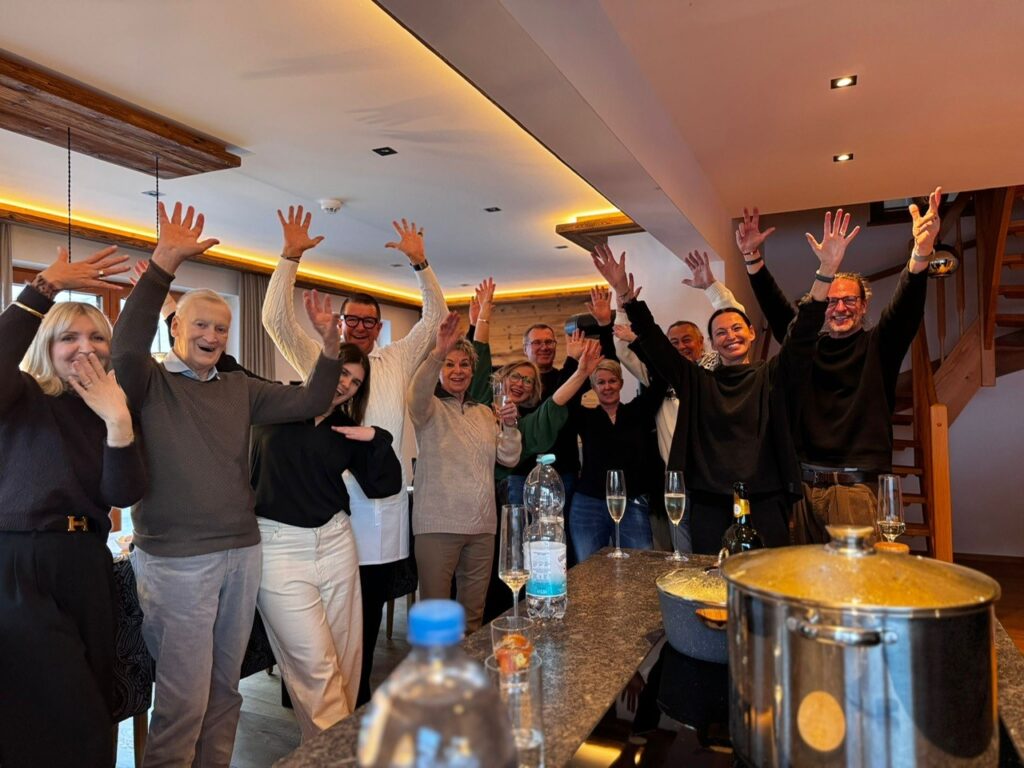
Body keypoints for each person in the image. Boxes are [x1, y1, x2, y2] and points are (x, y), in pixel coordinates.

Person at [112, 202, 343, 768]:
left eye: (221, 328)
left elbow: (312, 400)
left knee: (225, 691)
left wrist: (329, 347)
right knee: (182, 702)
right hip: (175, 562)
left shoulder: (239, 387)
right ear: (175, 326)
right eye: (200, 325)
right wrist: (163, 265)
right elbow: (123, 347)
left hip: (242, 552)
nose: (212, 335)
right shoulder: (148, 382)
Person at [262, 208, 446, 705]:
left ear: (379, 327)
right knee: (319, 618)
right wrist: (290, 256)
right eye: (353, 319)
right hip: (324, 510)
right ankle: (312, 704)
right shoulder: (321, 361)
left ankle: (355, 702)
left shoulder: (396, 358)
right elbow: (274, 320)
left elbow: (435, 319)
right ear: (342, 323)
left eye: (369, 321)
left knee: (362, 618)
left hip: (381, 509)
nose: (361, 327)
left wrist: (421, 263)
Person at [591, 215, 841, 553]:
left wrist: (826, 271)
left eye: (737, 328)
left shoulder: (773, 375)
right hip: (709, 500)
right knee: (710, 575)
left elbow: (802, 334)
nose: (730, 335)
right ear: (711, 342)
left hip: (766, 497)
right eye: (720, 332)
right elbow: (655, 343)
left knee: (767, 576)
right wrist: (624, 293)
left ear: (751, 333)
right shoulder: (697, 380)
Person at [0, 245, 145, 768]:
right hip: (21, 561)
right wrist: (43, 289)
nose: (86, 347)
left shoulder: (110, 407)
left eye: (97, 337)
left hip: (86, 563)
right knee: (54, 707)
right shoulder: (19, 394)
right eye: (69, 337)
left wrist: (118, 421)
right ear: (47, 345)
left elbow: (122, 494)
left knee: (94, 697)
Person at [735, 189, 942, 542]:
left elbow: (906, 307)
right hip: (803, 490)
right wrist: (752, 258)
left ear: (864, 306)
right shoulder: (805, 348)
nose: (840, 308)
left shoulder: (879, 346)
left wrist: (921, 253)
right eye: (831, 301)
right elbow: (778, 309)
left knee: (856, 579)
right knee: (801, 577)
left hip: (856, 491)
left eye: (849, 300)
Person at [250, 341, 402, 740]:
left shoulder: (345, 430)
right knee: (314, 667)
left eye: (356, 382)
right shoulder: (274, 402)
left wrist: (376, 436)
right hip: (279, 547)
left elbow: (386, 484)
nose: (346, 384)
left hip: (336, 542)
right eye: (342, 372)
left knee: (346, 660)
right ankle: (343, 753)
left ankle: (322, 750)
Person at [465, 278, 603, 621]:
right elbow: (478, 358)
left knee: (536, 549)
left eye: (528, 381)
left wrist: (581, 369)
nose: (522, 383)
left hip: (541, 482)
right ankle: (497, 619)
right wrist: (481, 318)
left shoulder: (530, 422)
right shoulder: (483, 401)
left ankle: (538, 607)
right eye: (516, 377)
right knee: (502, 556)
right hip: (477, 496)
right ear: (503, 377)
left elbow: (556, 402)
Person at [600, 250, 747, 554]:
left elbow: (735, 320)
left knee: (724, 548)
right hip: (675, 478)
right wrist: (621, 304)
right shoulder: (659, 375)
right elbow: (622, 351)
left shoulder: (714, 369)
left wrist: (712, 288)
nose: (681, 346)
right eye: (674, 342)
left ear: (702, 342)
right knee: (683, 551)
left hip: (714, 476)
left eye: (687, 340)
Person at [408, 312, 522, 631]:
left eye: (464, 364)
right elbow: (416, 394)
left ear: (473, 371)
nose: (457, 370)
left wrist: (510, 426)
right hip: (437, 525)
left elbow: (509, 458)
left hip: (483, 527)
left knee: (473, 617)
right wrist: (437, 353)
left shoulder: (485, 413)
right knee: (435, 617)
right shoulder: (428, 408)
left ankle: (466, 664)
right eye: (449, 364)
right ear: (440, 369)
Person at [566, 355, 666, 562]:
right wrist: (581, 369)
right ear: (593, 387)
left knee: (639, 564)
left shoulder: (638, 410)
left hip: (632, 501)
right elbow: (565, 398)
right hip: (588, 504)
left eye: (612, 381)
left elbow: (660, 380)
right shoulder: (585, 417)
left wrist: (637, 344)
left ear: (621, 383)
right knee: (589, 569)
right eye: (600, 382)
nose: (607, 387)